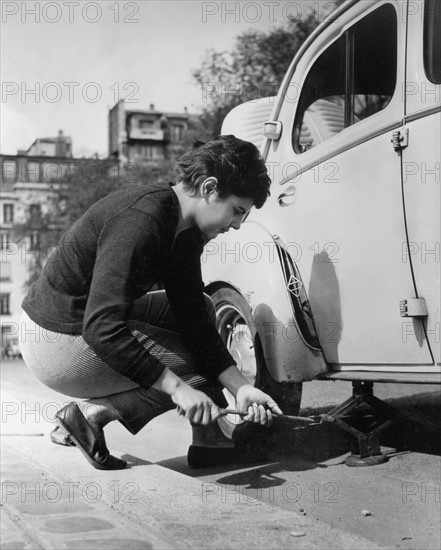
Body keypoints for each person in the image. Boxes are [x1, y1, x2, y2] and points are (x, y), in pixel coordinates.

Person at [19, 135, 282, 471]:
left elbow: (193, 322)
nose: (236, 225)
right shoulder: (142, 219)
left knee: (200, 308)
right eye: (236, 211)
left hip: (80, 321)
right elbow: (102, 327)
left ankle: (210, 442)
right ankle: (88, 415)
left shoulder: (185, 230)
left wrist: (242, 389)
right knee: (194, 367)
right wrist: (178, 389)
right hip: (52, 339)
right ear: (209, 188)